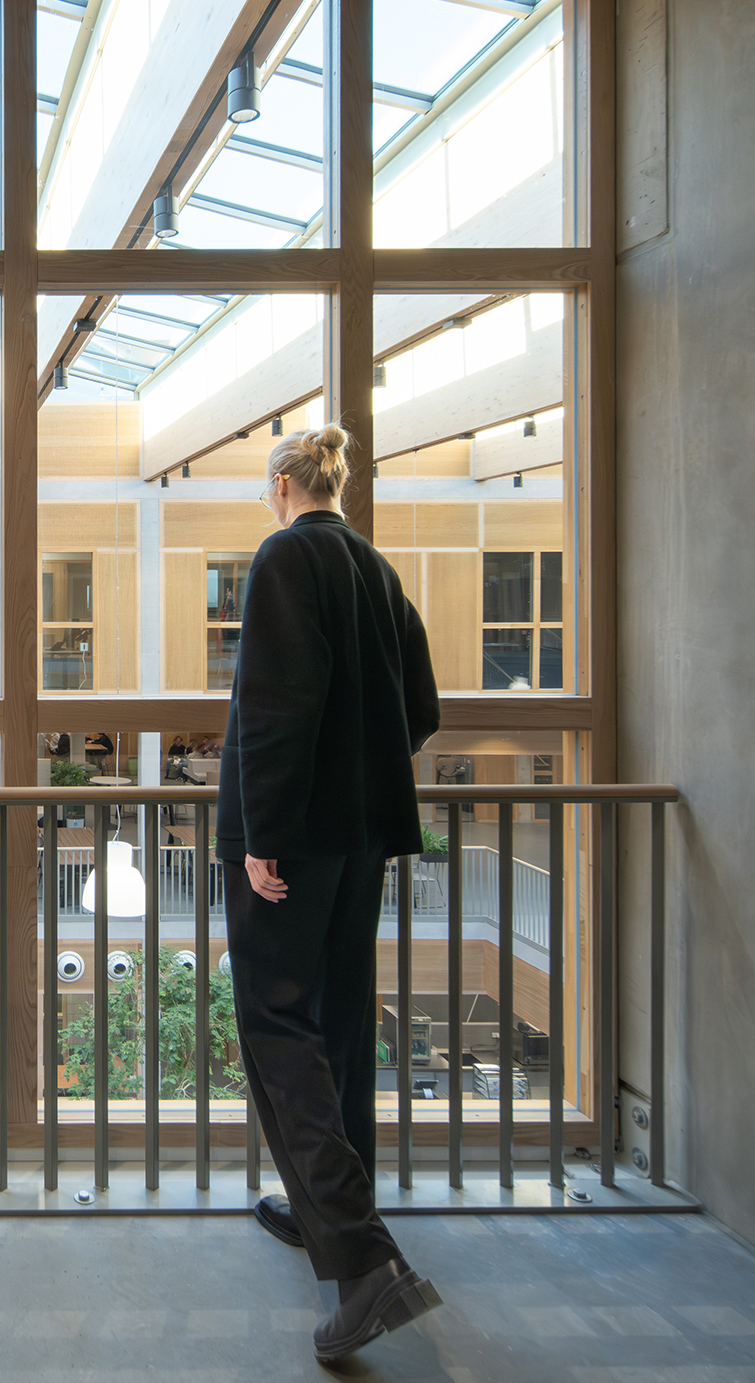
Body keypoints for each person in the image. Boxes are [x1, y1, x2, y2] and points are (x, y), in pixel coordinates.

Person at [218, 424, 444, 1363]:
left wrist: (266, 833)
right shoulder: (375, 568)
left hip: (296, 840)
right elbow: (421, 708)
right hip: (361, 838)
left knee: (276, 1025)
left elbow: (276, 705)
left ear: (282, 483)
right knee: (342, 1021)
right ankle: (333, 1214)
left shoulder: (284, 554)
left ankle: (362, 1264)